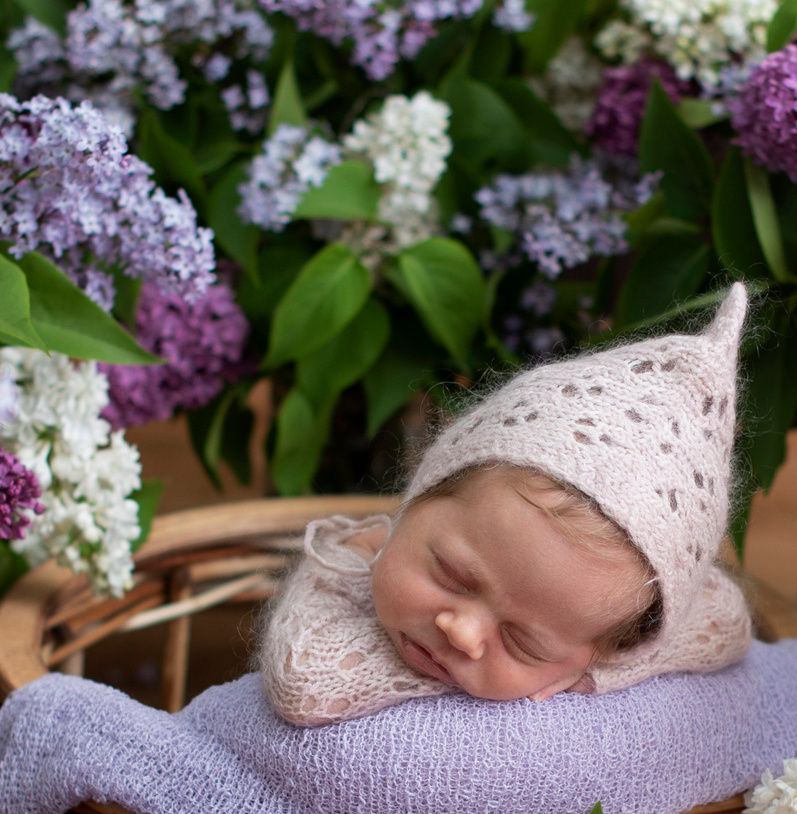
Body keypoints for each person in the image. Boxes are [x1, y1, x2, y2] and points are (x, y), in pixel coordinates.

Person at [257, 284, 759, 726]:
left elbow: (727, 620)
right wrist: (547, 663)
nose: (461, 633)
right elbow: (306, 681)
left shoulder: (601, 630)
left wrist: (597, 667)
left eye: (523, 642)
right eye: (451, 575)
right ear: (421, 496)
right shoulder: (347, 569)